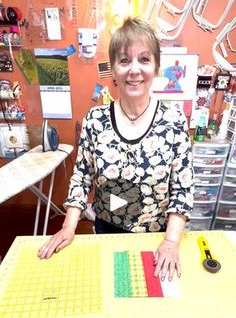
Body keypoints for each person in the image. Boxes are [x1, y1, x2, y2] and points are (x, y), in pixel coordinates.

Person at [38, 17, 194, 281]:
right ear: (113, 69)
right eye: (124, 60)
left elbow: (183, 189)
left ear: (156, 67)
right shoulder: (95, 120)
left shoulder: (174, 121)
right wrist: (68, 227)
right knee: (110, 293)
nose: (134, 70)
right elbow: (81, 177)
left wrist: (170, 242)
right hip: (106, 229)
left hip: (158, 237)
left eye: (144, 59)